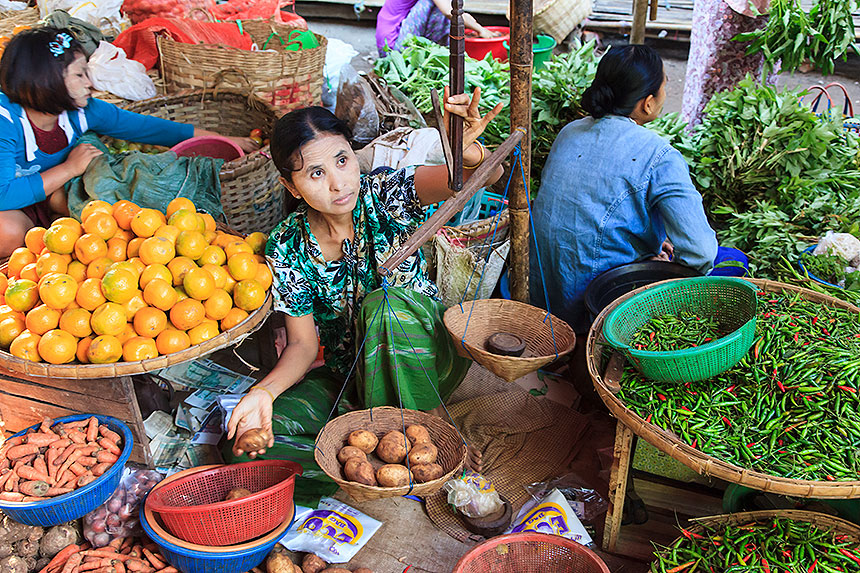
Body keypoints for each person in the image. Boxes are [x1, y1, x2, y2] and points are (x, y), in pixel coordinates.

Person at [226, 88, 503, 500]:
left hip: (425, 363)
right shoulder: (286, 246)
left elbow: (477, 178)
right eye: (316, 173)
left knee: (384, 305)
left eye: (342, 160)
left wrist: (467, 155)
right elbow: (303, 346)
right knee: (248, 451)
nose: (339, 183)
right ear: (292, 186)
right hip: (352, 377)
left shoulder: (383, 196)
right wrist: (261, 394)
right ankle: (371, 463)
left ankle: (422, 430)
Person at [0, 28, 258, 258]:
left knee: (81, 207)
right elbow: (3, 194)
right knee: (9, 232)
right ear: (46, 82)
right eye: (79, 75)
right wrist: (70, 168)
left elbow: (150, 129)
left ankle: (54, 237)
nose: (90, 83)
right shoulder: (6, 122)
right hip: (8, 200)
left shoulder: (84, 111)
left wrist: (224, 140)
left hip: (44, 193)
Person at [529, 45, 719, 336]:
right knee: (734, 262)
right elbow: (700, 251)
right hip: (591, 310)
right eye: (665, 85)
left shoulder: (570, 131)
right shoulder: (659, 156)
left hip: (541, 294)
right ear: (647, 103)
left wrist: (656, 246)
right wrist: (662, 271)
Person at [682, 0, 773, 126]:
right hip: (729, 9)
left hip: (768, 11)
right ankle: (700, 131)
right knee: (712, 74)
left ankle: (750, 133)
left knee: (758, 81)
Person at [376, 0, 497, 57]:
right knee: (439, 7)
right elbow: (450, 12)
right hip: (393, 49)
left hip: (390, 43)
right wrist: (480, 30)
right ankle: (443, 52)